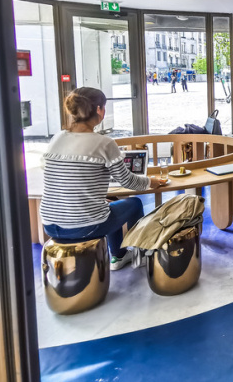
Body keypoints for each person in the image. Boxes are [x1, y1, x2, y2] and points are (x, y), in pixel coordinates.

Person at [39, 87, 166, 270]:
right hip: (85, 225)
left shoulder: (57, 138)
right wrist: (151, 182)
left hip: (50, 224)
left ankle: (119, 257)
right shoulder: (104, 143)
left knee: (110, 206)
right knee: (134, 204)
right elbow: (128, 182)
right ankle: (138, 254)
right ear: (99, 110)